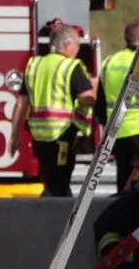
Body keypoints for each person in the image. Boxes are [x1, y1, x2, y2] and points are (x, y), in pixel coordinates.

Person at [16, 23, 96, 197]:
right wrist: (94, 88)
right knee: (59, 184)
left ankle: (50, 218)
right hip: (62, 136)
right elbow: (86, 98)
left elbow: (21, 103)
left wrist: (14, 136)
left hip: (39, 137)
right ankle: (56, 220)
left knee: (49, 181)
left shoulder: (34, 65)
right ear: (67, 45)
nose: (78, 49)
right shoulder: (71, 66)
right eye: (77, 44)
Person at [98, 19, 139, 192]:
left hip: (116, 133)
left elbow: (100, 104)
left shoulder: (108, 63)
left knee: (123, 180)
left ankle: (119, 216)